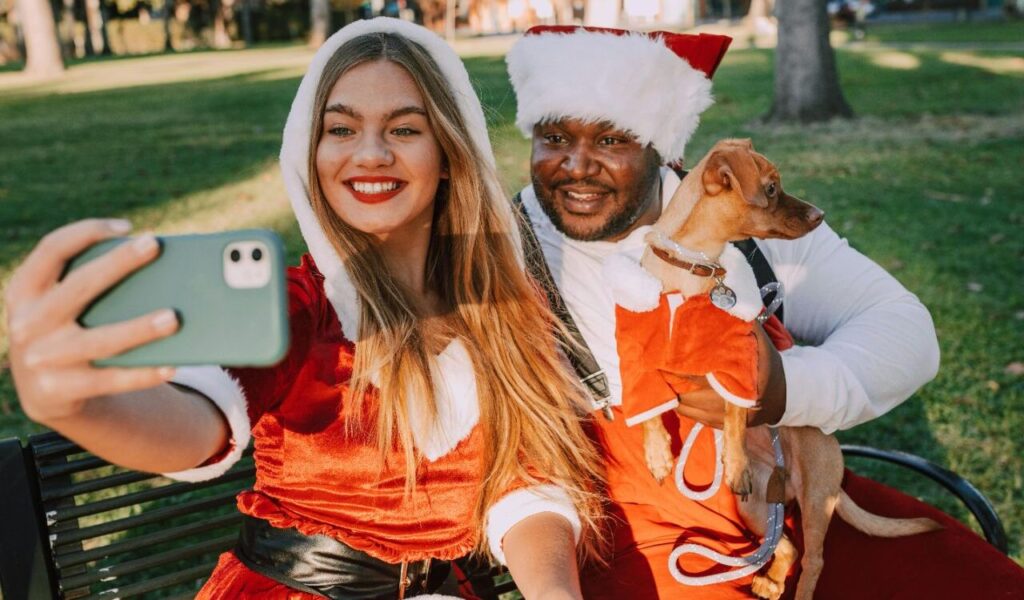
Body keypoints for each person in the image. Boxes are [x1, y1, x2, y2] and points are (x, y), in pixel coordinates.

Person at [5, 18, 606, 599]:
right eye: (340, 130)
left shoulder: (501, 300)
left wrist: (553, 590)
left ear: (449, 151)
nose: (369, 154)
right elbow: (195, 423)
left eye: (404, 129)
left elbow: (527, 483)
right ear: (309, 153)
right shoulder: (298, 307)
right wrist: (78, 403)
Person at [505, 25, 1024, 599]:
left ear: (661, 144)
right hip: (633, 533)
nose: (576, 165)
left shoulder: (742, 211)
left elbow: (906, 333)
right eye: (554, 137)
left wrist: (778, 388)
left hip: (785, 492)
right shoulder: (500, 250)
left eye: (612, 140)